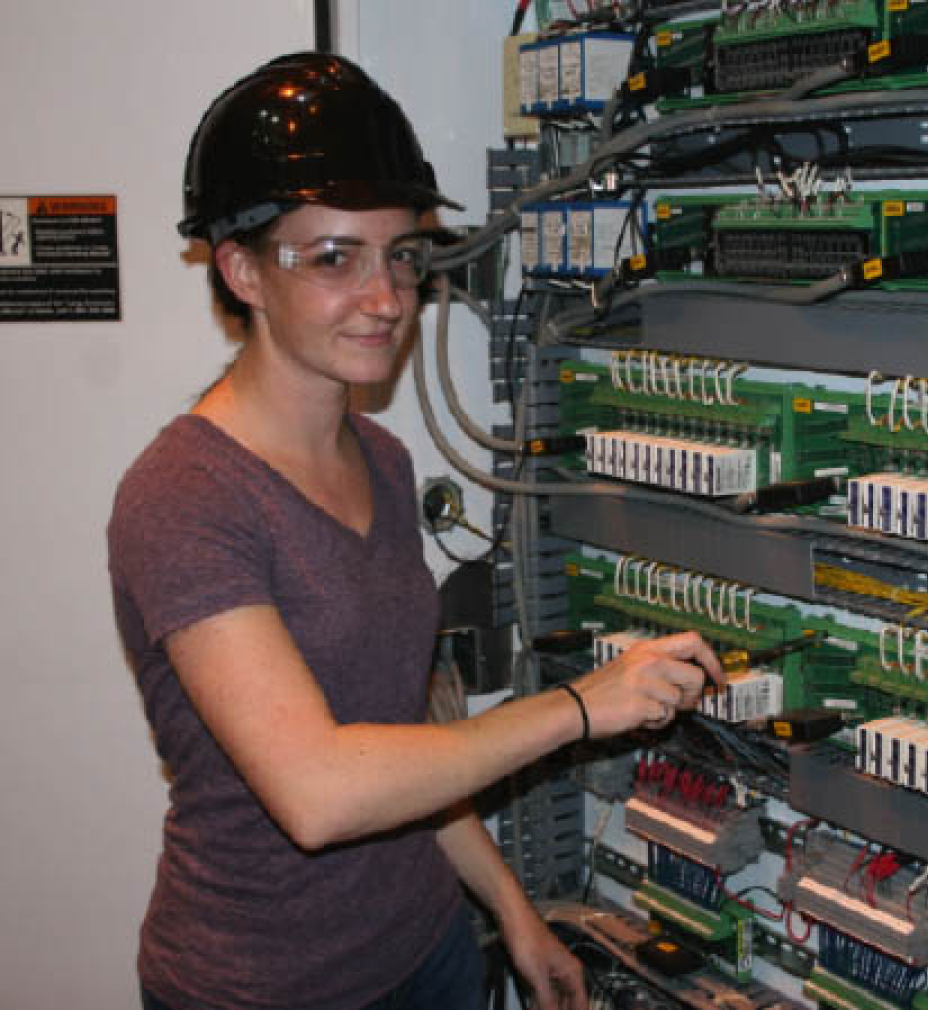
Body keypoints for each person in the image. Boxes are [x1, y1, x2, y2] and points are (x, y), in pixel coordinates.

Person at [108, 52, 722, 1010]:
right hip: (264, 987)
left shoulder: (383, 461)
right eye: (333, 258)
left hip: (426, 952)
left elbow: (406, 735)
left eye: (401, 254)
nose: (387, 297)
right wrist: (580, 707)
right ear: (241, 270)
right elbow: (320, 792)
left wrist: (511, 911)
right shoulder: (186, 498)